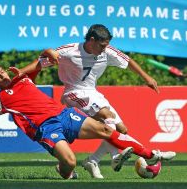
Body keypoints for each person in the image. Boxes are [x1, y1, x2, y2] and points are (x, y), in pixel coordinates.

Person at [0, 64, 175, 180]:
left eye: (3, 72)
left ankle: (150, 154)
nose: (3, 76)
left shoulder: (23, 79)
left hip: (64, 115)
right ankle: (66, 171)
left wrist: (49, 57)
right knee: (70, 163)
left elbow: (44, 59)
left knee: (106, 128)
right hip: (46, 129)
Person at [15, 24, 161, 178]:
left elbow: (129, 61)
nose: (105, 49)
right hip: (73, 92)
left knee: (122, 130)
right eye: (102, 45)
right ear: (92, 40)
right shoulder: (69, 51)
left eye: (107, 45)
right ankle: (115, 157)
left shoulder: (108, 51)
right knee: (106, 115)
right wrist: (20, 72)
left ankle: (93, 160)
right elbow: (41, 62)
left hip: (93, 92)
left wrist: (147, 78)